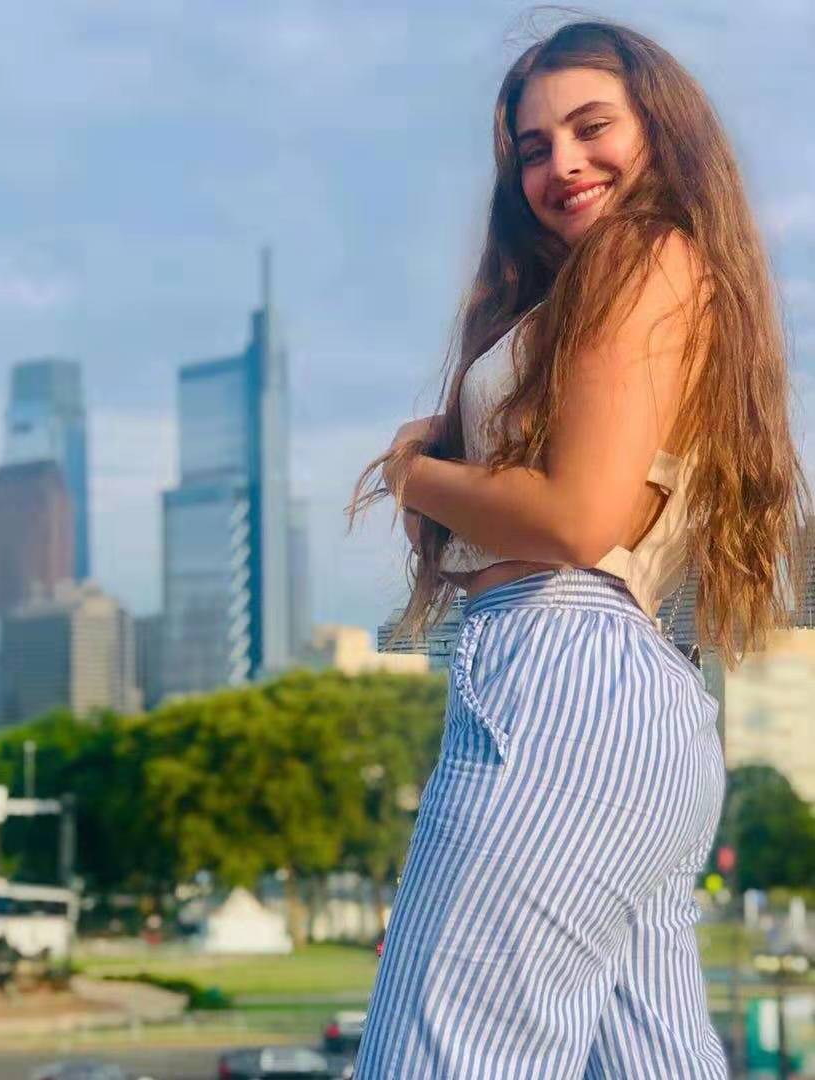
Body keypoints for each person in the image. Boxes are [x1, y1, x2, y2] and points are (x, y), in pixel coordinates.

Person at [346, 18, 808, 1079]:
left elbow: (573, 519)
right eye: (533, 147)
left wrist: (413, 471)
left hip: (560, 677)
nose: (562, 163)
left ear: (661, 129)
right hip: (630, 700)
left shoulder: (646, 257)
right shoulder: (638, 284)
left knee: (443, 1055)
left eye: (593, 127)